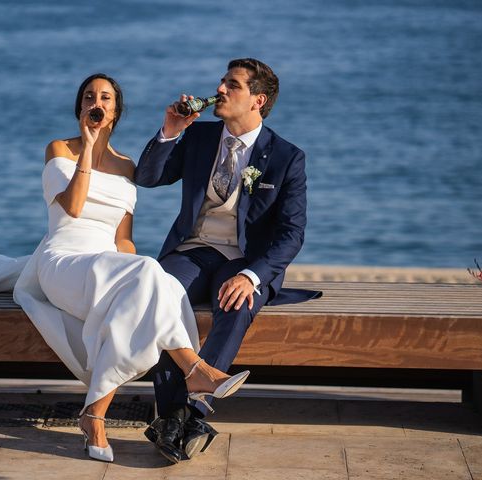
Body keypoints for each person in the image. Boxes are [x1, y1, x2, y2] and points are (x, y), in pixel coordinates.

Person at [0, 73, 250, 464]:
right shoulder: (60, 149)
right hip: (61, 261)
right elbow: (73, 207)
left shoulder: (128, 166)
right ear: (81, 108)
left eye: (106, 97)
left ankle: (94, 415)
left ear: (115, 111)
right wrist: (89, 146)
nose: (97, 102)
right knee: (148, 275)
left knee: (150, 277)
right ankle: (193, 369)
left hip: (105, 263)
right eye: (89, 96)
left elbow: (123, 239)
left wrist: (134, 278)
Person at [135, 58, 320, 463]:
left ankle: (181, 415)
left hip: (246, 258)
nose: (220, 89)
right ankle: (180, 418)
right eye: (222, 82)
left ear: (258, 100)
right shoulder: (199, 137)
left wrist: (253, 275)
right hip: (194, 249)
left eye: (231, 85)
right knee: (162, 297)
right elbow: (147, 178)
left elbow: (292, 234)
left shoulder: (287, 157)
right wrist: (170, 132)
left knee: (236, 302)